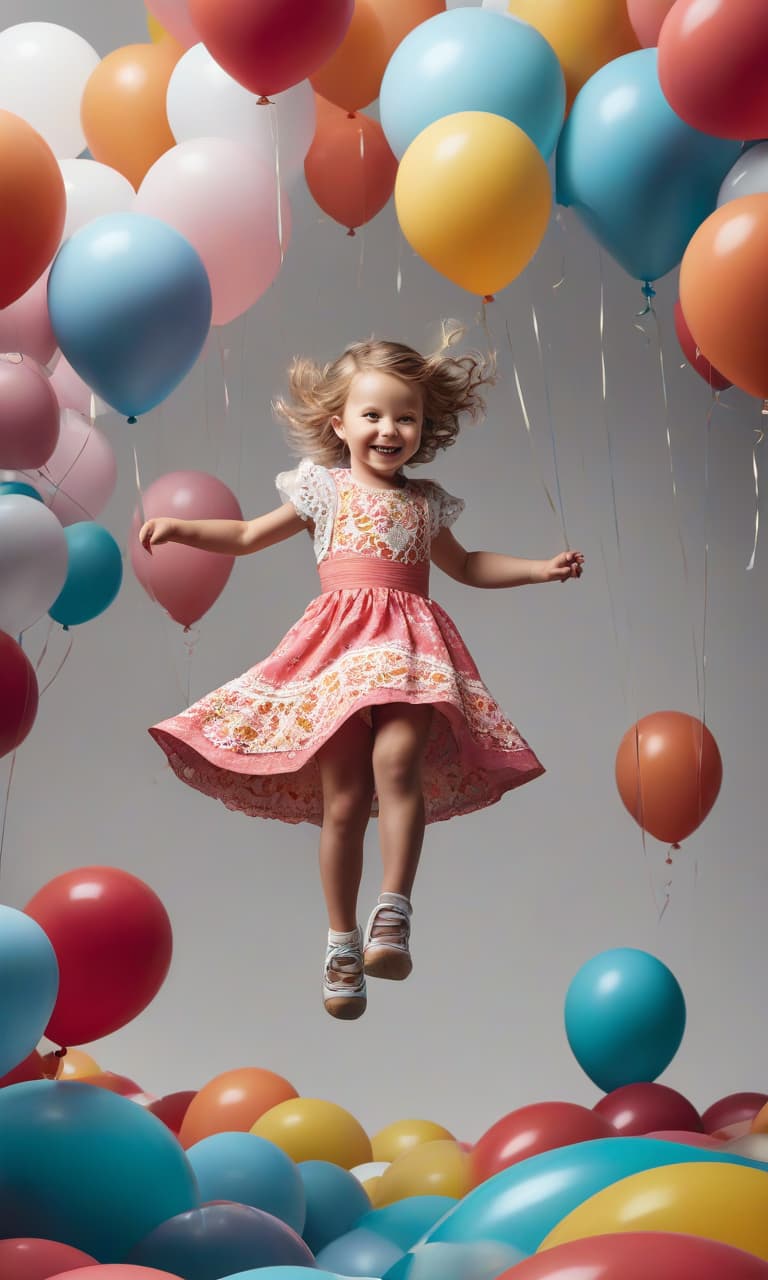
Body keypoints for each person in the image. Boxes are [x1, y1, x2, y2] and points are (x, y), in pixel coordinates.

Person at [140, 334, 584, 1020]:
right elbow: (250, 535)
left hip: (409, 651)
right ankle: (341, 944)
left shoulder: (426, 502)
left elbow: (466, 567)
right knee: (344, 800)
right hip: (339, 652)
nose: (389, 430)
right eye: (372, 415)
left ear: (424, 428)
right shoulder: (323, 489)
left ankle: (393, 912)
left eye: (405, 418)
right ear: (338, 424)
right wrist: (182, 528)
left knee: (397, 766)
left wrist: (536, 568)